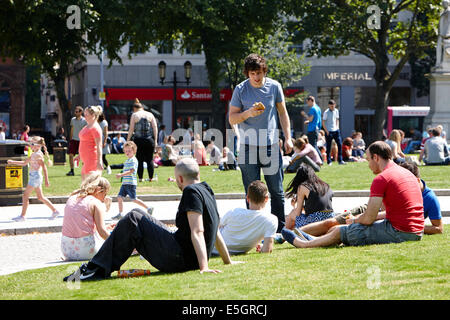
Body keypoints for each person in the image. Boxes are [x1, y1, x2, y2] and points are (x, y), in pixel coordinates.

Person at [63, 158, 242, 282]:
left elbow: (198, 230)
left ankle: (96, 268)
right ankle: (97, 266)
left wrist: (203, 267)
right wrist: (228, 261)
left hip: (180, 258)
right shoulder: (206, 189)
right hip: (184, 254)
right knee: (138, 214)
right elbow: (215, 228)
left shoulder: (190, 192)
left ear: (180, 178)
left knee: (133, 218)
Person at [281, 141, 424, 248]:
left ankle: (304, 244)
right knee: (340, 228)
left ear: (376, 157)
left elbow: (369, 218)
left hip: (401, 231)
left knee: (341, 231)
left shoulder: (382, 178)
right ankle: (310, 238)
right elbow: (389, 213)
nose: (368, 165)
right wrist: (357, 219)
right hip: (416, 230)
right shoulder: (406, 173)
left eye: (368, 160)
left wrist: (355, 221)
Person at [228, 53, 293, 233]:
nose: (256, 77)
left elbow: (282, 113)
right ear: (247, 73)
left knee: (277, 191)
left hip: (271, 146)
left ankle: (280, 231)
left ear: (264, 71)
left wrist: (288, 137)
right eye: (252, 74)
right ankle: (254, 229)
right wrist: (248, 113)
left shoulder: (274, 87)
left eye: (259, 73)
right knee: (252, 193)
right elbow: (232, 119)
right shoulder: (240, 89)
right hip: (248, 147)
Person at [297, 161, 443, 237]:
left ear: (416, 180)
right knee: (332, 222)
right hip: (370, 209)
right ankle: (294, 234)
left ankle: (304, 237)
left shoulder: (430, 198)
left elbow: (438, 228)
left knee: (339, 228)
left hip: (380, 217)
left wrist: (411, 225)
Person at [212, 180, 278, 255]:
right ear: (266, 198)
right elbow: (267, 249)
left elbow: (215, 227)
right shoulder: (271, 220)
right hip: (223, 250)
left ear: (247, 198)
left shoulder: (234, 212)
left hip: (212, 247)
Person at [61, 173, 112, 260]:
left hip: (66, 250)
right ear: (99, 190)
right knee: (115, 236)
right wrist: (118, 243)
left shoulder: (72, 198)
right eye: (105, 194)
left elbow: (81, 225)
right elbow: (102, 232)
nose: (104, 198)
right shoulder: (95, 202)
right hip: (87, 251)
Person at [8, 136, 60, 222]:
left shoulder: (38, 155)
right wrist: (13, 162)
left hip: (35, 177)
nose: (30, 145)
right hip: (34, 176)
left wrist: (47, 180)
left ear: (38, 146)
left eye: (32, 144)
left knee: (25, 195)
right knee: (40, 197)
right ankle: (55, 211)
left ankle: (22, 216)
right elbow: (24, 163)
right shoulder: (33, 154)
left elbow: (44, 167)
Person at [112, 141, 154, 220]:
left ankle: (148, 208)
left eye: (129, 151)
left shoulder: (133, 160)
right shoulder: (127, 160)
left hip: (131, 183)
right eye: (126, 151)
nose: (127, 152)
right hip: (125, 183)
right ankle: (120, 213)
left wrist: (121, 175)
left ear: (134, 151)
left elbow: (131, 171)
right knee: (119, 197)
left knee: (134, 199)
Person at [284, 163, 334, 230]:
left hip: (315, 221)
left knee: (293, 213)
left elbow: (298, 213)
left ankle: (283, 235)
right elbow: (319, 207)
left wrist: (294, 206)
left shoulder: (303, 186)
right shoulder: (325, 185)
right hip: (330, 218)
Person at [127, 98, 158, 182]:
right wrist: (155, 141)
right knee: (150, 160)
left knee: (139, 160)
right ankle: (151, 178)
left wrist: (128, 140)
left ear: (135, 109)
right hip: (149, 140)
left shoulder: (134, 115)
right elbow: (155, 128)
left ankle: (140, 178)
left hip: (138, 140)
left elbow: (131, 129)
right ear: (142, 108)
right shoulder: (150, 114)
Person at [74, 105, 103, 181]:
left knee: (89, 186)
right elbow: (85, 142)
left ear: (93, 115)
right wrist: (79, 156)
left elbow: (99, 146)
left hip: (92, 160)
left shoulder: (95, 128)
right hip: (86, 160)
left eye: (87, 114)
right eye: (84, 114)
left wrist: (99, 161)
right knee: (85, 185)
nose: (84, 116)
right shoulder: (87, 126)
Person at [322, 99, 345, 165]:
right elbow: (323, 122)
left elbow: (337, 119)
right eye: (331, 106)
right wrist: (326, 131)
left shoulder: (336, 111)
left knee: (340, 144)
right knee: (328, 146)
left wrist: (337, 127)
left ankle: (340, 160)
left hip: (336, 130)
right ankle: (329, 161)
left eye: (334, 106)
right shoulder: (326, 112)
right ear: (329, 105)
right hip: (329, 131)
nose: (333, 107)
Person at [67, 106, 87, 176]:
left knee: (83, 156)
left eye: (77, 111)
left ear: (81, 112)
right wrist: (71, 139)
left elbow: (86, 131)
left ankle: (84, 171)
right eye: (75, 111)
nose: (75, 113)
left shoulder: (84, 121)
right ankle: (72, 171)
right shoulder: (73, 120)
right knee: (70, 155)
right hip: (74, 140)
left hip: (82, 140)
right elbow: (72, 129)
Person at [301, 96, 322, 161]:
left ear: (311, 100)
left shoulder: (312, 109)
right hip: (316, 128)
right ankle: (320, 159)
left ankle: (319, 160)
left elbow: (310, 119)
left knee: (313, 146)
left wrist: (304, 115)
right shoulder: (318, 108)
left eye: (308, 102)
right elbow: (316, 119)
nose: (307, 104)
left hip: (312, 129)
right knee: (314, 145)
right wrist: (308, 122)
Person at [435, 0, 450, 70]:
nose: (443, 4)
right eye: (443, 3)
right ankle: (438, 64)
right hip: (441, 34)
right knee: (438, 48)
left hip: (446, 34)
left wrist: (447, 34)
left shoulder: (449, 12)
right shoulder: (443, 12)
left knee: (445, 50)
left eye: (445, 3)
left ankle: (441, 64)